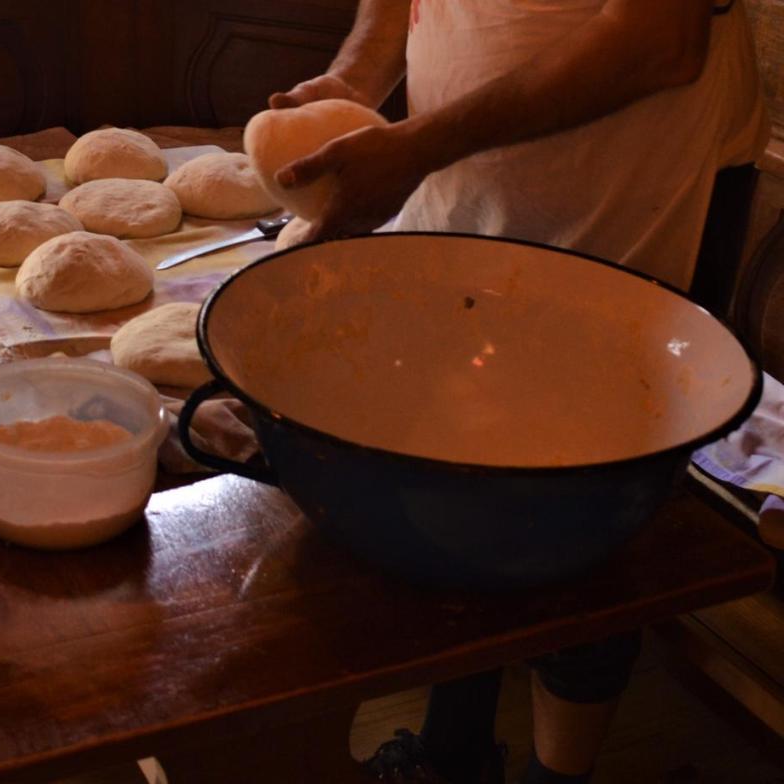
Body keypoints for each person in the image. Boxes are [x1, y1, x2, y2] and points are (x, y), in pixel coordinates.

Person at [269, 1, 767, 782]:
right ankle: (453, 753)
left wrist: (420, 145)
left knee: (586, 502)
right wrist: (352, 84)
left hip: (632, 181)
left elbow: (660, 42)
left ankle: (555, 777)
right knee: (458, 465)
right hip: (472, 164)